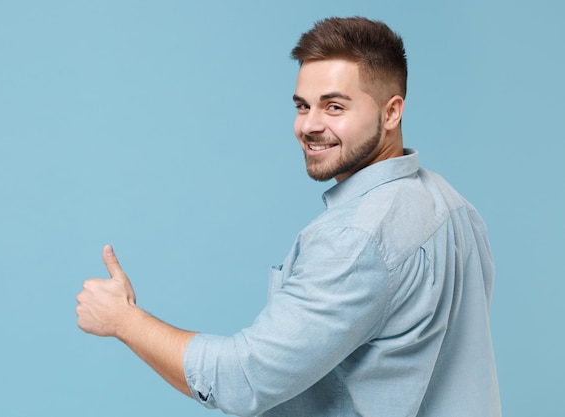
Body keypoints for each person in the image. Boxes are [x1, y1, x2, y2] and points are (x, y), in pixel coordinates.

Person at [76, 16, 501, 417]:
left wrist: (124, 320)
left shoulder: (357, 239)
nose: (309, 126)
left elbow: (241, 380)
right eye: (303, 106)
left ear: (391, 112)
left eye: (334, 107)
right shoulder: (453, 206)